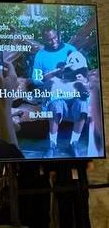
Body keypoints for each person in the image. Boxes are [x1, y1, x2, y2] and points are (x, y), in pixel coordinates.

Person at [31, 28, 87, 158]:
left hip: (73, 92)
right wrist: (53, 74)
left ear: (58, 35)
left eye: (55, 38)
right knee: (55, 106)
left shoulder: (70, 49)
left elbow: (82, 69)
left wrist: (82, 78)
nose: (53, 41)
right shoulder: (40, 55)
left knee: (82, 104)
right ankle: (52, 145)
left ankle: (74, 143)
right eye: (49, 40)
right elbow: (36, 79)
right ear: (44, 40)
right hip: (55, 94)